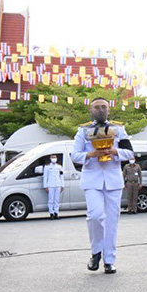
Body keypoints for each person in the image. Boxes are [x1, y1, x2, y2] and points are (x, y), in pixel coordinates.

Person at [71, 98, 135, 274]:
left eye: (103, 107)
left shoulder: (119, 129)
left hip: (113, 179)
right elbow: (74, 155)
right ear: (91, 111)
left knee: (112, 222)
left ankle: (109, 260)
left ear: (109, 110)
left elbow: (130, 152)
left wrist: (114, 151)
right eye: (96, 107)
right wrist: (91, 154)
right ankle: (96, 252)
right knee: (95, 216)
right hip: (92, 179)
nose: (100, 110)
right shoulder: (83, 131)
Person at [42, 154, 65, 220]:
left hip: (58, 184)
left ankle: (56, 213)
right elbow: (45, 177)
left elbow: (61, 176)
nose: (54, 158)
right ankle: (51, 213)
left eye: (55, 157)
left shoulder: (59, 166)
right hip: (50, 185)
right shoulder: (47, 167)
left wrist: (62, 185)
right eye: (52, 157)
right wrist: (45, 186)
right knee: (51, 200)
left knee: (57, 200)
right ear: (50, 158)